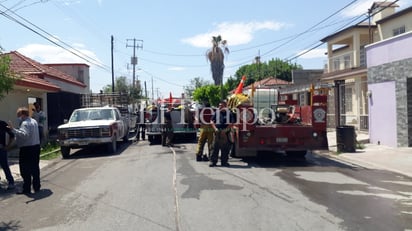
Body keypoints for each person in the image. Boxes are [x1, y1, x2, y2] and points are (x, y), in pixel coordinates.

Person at [8, 107, 41, 194]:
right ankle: (36, 186)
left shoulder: (25, 123)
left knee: (25, 169)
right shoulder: (33, 121)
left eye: (18, 115)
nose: (18, 117)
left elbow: (24, 135)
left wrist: (13, 129)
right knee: (35, 168)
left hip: (27, 149)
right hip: (36, 147)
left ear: (22, 115)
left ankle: (26, 188)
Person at [209, 101, 234, 167]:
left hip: (225, 133)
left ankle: (224, 162)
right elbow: (211, 121)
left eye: (222, 106)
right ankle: (213, 162)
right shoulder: (216, 113)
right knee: (214, 148)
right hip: (217, 132)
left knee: (225, 148)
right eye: (219, 105)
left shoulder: (229, 113)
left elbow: (231, 123)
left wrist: (225, 130)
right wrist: (215, 129)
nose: (220, 107)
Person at [0, 120, 16, 190]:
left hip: (1, 149)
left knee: (5, 166)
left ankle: (11, 182)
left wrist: (8, 146)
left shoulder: (2, 123)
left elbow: (11, 134)